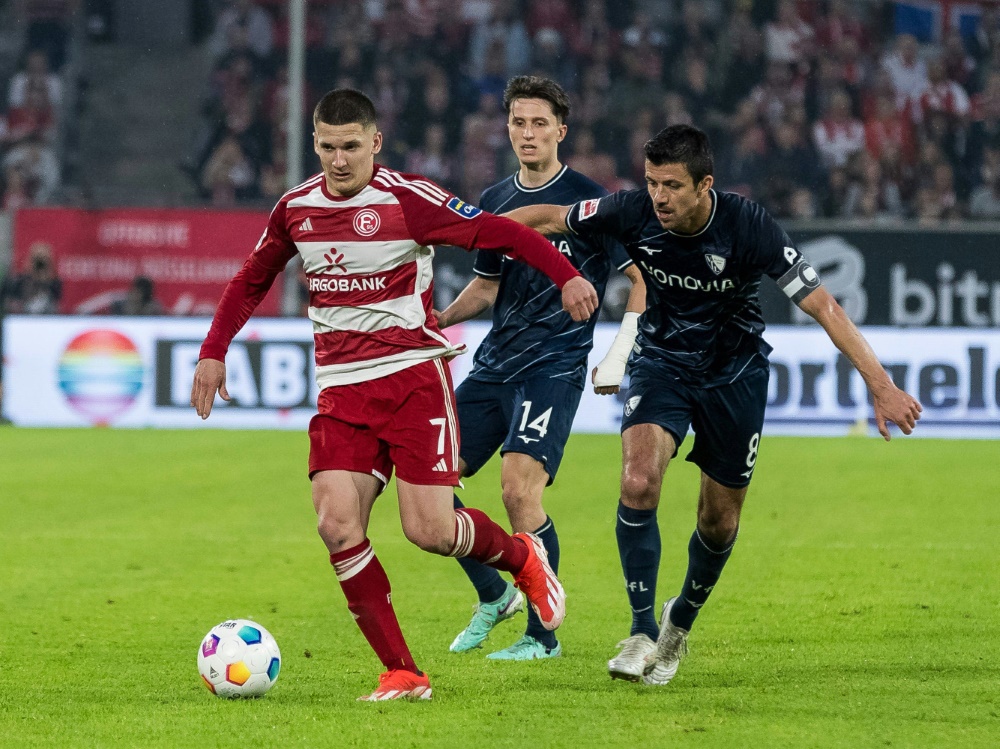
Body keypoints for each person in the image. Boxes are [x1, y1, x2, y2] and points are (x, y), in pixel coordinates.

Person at [189, 89, 599, 701]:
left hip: (412, 384)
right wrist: (213, 350)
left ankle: (522, 560)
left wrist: (566, 274)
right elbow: (251, 278)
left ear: (374, 143)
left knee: (429, 531)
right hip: (341, 394)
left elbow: (498, 233)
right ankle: (403, 672)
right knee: (335, 524)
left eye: (351, 146)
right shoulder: (296, 209)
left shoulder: (408, 201)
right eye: (327, 147)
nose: (338, 159)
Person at [502, 124, 922, 686]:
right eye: (652, 182)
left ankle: (679, 624)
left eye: (672, 185)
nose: (659, 197)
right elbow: (549, 216)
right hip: (662, 365)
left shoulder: (748, 226)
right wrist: (469, 229)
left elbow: (823, 305)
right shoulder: (630, 211)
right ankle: (641, 629)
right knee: (637, 481)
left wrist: (881, 384)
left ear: (705, 184)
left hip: (735, 375)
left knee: (718, 523)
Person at [435, 76, 645, 661]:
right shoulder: (495, 197)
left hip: (552, 366)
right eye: (518, 123)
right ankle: (492, 593)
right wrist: (444, 319)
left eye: (538, 123)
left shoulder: (591, 200)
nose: (527, 133)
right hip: (494, 365)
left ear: (560, 130)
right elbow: (486, 285)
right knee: (428, 481)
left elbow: (640, 280)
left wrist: (618, 353)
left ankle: (542, 636)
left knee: (517, 490)